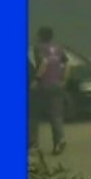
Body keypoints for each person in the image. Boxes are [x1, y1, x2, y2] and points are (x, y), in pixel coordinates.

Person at [30, 26, 69, 155]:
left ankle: (33, 144)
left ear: (41, 36)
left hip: (44, 85)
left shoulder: (39, 48)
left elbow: (44, 62)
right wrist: (64, 79)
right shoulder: (58, 48)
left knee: (33, 114)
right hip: (57, 84)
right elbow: (67, 63)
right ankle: (59, 140)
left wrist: (36, 79)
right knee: (56, 115)